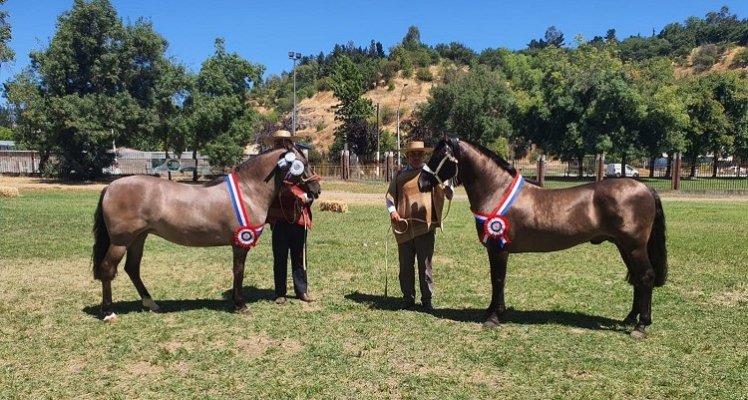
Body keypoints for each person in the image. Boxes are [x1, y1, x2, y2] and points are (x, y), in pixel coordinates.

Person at [385, 140, 453, 311]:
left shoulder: (430, 174)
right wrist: (393, 212)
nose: (416, 157)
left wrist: (447, 191)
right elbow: (389, 197)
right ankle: (408, 298)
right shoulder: (400, 175)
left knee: (425, 265)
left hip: (425, 227)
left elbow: (446, 191)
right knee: (405, 266)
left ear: (424, 155)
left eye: (419, 154)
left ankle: (427, 299)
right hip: (404, 227)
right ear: (407, 156)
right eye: (412, 154)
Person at [264, 130, 315, 304]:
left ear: (290, 143)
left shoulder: (299, 162)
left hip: (298, 216)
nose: (282, 145)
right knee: (279, 256)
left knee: (299, 256)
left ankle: (301, 290)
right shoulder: (269, 167)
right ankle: (280, 292)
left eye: (285, 141)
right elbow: (266, 190)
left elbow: (311, 184)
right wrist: (284, 190)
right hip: (279, 218)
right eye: (279, 142)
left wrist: (306, 197)